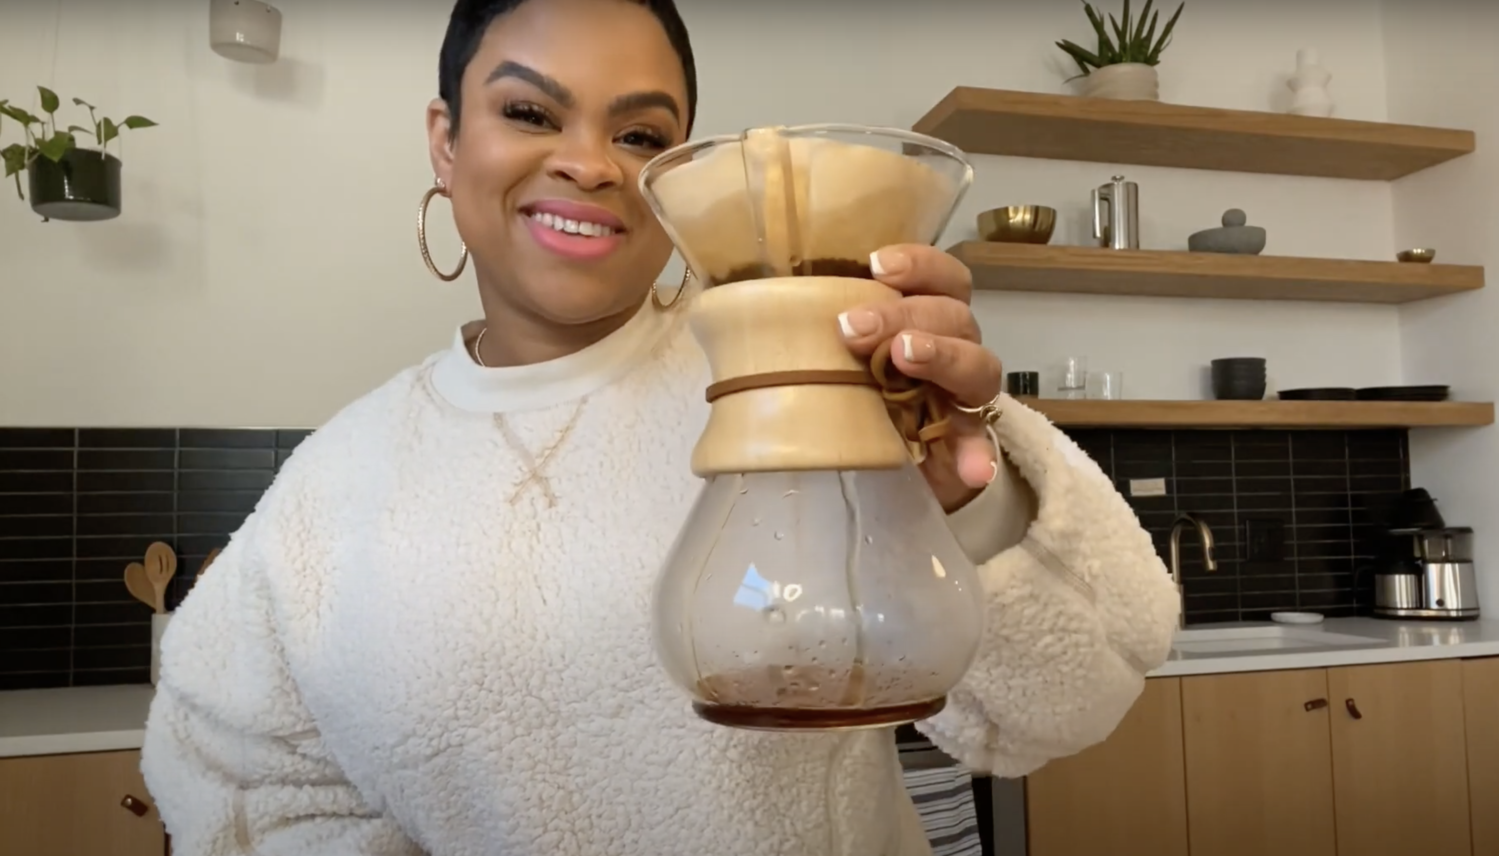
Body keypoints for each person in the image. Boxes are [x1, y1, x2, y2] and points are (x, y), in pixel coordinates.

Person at [139, 1, 1180, 853]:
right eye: (529, 112)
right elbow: (238, 789)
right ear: (446, 142)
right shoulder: (339, 479)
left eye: (638, 134)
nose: (591, 164)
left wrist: (969, 487)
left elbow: (1064, 702)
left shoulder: (829, 389)